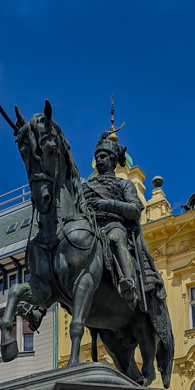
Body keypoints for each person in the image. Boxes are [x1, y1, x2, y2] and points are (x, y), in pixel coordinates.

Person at [82, 130, 143, 309]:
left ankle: (128, 283)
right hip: (90, 227)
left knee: (115, 239)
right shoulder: (85, 185)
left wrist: (108, 205)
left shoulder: (124, 184)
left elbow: (135, 210)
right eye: (97, 157)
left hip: (113, 224)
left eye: (103, 156)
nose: (99, 160)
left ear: (113, 161)